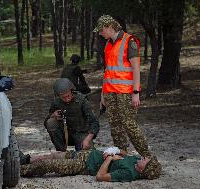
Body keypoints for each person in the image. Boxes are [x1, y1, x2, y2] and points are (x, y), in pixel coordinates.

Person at [93, 15, 151, 157]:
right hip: (110, 92)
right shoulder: (108, 44)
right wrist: (102, 95)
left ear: (109, 27)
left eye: (101, 31)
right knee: (115, 126)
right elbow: (107, 71)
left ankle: (147, 157)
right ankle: (121, 155)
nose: (100, 34)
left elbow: (136, 68)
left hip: (125, 92)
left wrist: (136, 92)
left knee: (129, 125)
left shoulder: (129, 41)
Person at [19, 147, 162, 182]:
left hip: (84, 165)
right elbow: (124, 153)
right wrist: (116, 150)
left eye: (146, 160)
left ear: (144, 169)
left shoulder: (129, 174)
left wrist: (109, 159)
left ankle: (17, 171)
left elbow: (100, 176)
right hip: (89, 154)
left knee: (48, 165)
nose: (144, 157)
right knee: (53, 154)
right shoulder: (136, 159)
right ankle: (22, 160)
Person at [44, 78, 99, 152]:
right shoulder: (56, 102)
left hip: (81, 133)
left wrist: (88, 139)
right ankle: (61, 152)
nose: (67, 99)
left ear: (72, 91)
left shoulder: (82, 101)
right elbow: (46, 123)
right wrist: (53, 115)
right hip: (65, 135)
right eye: (63, 97)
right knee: (51, 122)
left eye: (68, 96)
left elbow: (94, 122)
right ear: (59, 96)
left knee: (89, 155)